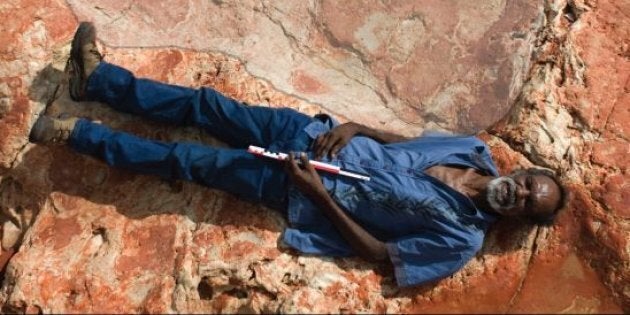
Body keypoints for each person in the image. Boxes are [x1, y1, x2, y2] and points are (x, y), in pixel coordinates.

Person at [29, 22, 568, 287]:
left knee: (187, 163)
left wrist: (317, 195)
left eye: (527, 203)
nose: (518, 193)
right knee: (205, 105)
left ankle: (75, 135)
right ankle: (100, 81)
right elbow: (408, 145)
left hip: (298, 186)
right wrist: (357, 125)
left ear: (520, 218)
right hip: (309, 133)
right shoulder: (474, 151)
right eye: (527, 184)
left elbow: (382, 254)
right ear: (523, 171)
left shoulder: (460, 242)